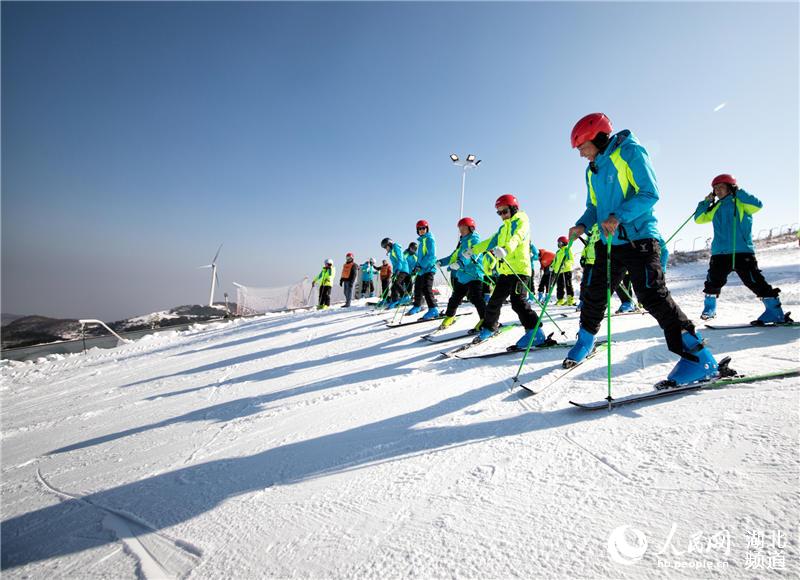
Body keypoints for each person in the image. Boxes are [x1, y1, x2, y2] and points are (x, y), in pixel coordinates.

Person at [565, 112, 717, 385]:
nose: (581, 155)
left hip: (639, 238)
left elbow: (649, 192)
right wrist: (581, 225)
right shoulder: (592, 170)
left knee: (651, 295)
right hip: (608, 242)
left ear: (598, 138)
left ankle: (699, 358)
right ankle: (585, 340)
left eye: (582, 147)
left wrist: (618, 216)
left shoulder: (630, 151)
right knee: (594, 293)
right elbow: (593, 208)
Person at [694, 173, 787, 323]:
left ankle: (775, 312)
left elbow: (758, 205)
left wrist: (739, 192)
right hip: (720, 253)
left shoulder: (741, 202)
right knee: (712, 281)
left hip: (742, 251)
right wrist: (706, 202)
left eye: (721, 187)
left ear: (731, 187)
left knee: (755, 281)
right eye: (715, 188)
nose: (717, 190)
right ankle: (709, 310)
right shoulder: (716, 207)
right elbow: (698, 219)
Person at [465, 194, 552, 348]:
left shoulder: (522, 221)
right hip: (506, 271)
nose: (502, 216)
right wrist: (473, 250)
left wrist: (506, 249)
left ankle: (536, 333)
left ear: (513, 208)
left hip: (520, 270)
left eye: (504, 211)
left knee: (518, 303)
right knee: (494, 301)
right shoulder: (503, 228)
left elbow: (517, 237)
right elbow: (490, 241)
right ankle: (490, 327)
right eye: (499, 213)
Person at [437, 217, 486, 329]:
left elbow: (471, 255)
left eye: (464, 228)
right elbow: (452, 257)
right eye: (460, 228)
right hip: (462, 276)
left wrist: (460, 263)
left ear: (471, 228)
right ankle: (450, 316)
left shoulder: (474, 240)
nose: (461, 230)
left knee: (476, 298)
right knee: (455, 298)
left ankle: (486, 320)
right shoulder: (461, 243)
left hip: (474, 274)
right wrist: (441, 262)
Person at [407, 220, 440, 320]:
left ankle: (433, 309)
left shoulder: (429, 239)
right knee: (417, 287)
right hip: (422, 270)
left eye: (423, 228)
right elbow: (420, 258)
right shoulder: (421, 241)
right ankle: (417, 306)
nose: (421, 230)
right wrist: (416, 267)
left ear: (427, 229)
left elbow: (431, 256)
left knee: (426, 289)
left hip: (429, 269)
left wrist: (421, 266)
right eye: (419, 229)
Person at [380, 237, 410, 307]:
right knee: (393, 286)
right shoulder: (391, 252)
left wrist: (398, 270)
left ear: (389, 244)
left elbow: (400, 259)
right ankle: (395, 300)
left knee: (397, 283)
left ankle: (405, 296)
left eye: (385, 247)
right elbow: (395, 264)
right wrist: (395, 272)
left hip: (403, 269)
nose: (385, 249)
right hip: (398, 270)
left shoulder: (396, 247)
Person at [577, 224, 600, 310]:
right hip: (589, 261)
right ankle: (583, 301)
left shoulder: (603, 224)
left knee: (602, 283)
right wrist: (583, 257)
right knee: (585, 282)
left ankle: (627, 301)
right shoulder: (590, 229)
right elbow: (586, 246)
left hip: (600, 259)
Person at [553, 236, 575, 306]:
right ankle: (560, 299)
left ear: (564, 243)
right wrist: (552, 266)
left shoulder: (567, 250)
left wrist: (565, 264)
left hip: (566, 270)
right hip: (558, 271)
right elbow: (555, 261)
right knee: (559, 286)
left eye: (560, 242)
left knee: (568, 284)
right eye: (558, 243)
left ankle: (570, 299)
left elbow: (571, 260)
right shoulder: (558, 252)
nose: (558, 244)